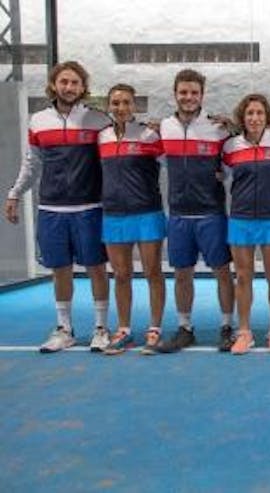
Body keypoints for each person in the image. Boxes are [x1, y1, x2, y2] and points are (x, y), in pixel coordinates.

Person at [4, 61, 112, 353]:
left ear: (82, 87)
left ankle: (101, 328)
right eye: (64, 81)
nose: (69, 87)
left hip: (90, 208)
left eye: (75, 82)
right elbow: (32, 164)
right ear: (54, 84)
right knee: (60, 270)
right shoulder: (38, 121)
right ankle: (65, 329)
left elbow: (115, 160)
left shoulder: (99, 120)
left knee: (96, 268)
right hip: (52, 210)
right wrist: (14, 194)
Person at [153, 68, 235, 354]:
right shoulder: (163, 128)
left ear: (202, 95)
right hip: (177, 215)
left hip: (211, 213)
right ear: (175, 94)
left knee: (222, 272)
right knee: (181, 274)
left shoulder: (218, 128)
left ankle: (227, 327)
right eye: (183, 92)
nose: (188, 97)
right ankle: (185, 328)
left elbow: (230, 164)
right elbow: (163, 161)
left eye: (194, 92)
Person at [97, 84, 166, 354]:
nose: (121, 107)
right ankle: (123, 329)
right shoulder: (101, 138)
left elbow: (174, 162)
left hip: (147, 212)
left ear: (134, 106)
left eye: (126, 102)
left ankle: (154, 329)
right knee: (122, 275)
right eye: (116, 103)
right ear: (109, 106)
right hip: (113, 215)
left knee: (152, 273)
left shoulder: (150, 135)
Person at [220, 94, 270, 355]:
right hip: (241, 219)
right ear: (242, 117)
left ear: (267, 117)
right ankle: (245, 331)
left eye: (259, 113)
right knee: (243, 276)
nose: (255, 118)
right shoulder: (230, 147)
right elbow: (223, 176)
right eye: (250, 113)